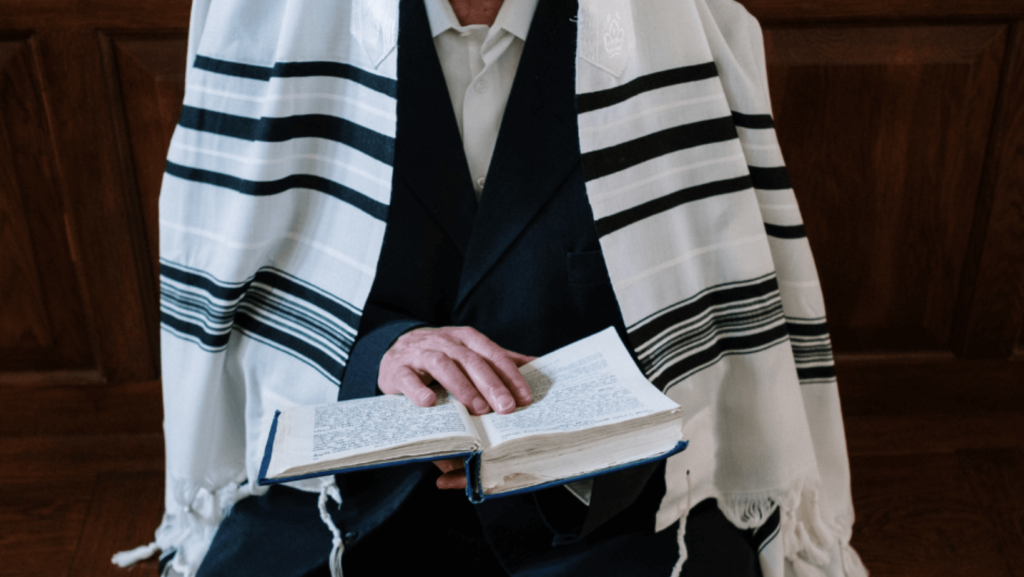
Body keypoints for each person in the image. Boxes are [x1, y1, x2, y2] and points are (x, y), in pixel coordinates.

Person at [132, 0, 867, 576]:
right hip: (345, 498)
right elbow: (261, 316)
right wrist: (383, 359)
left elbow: (695, 338)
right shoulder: (266, 32)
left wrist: (555, 440)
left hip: (602, 513)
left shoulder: (687, 37)